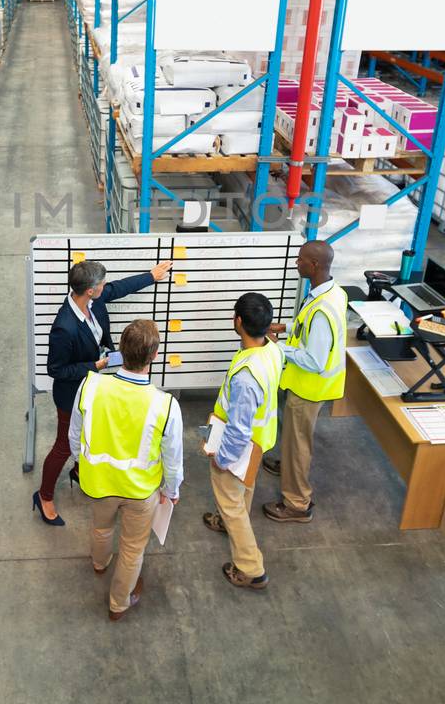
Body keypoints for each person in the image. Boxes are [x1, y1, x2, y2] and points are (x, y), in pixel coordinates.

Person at [34, 256, 173, 525]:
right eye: (102, 284)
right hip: (71, 393)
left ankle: (78, 470)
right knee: (63, 445)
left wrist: (151, 275)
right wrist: (93, 365)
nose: (105, 286)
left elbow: (119, 288)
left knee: (87, 434)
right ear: (90, 290)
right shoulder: (64, 327)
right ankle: (44, 495)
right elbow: (56, 370)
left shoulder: (91, 301)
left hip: (91, 386)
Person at [68, 319, 182, 620]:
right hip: (140, 491)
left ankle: (99, 562)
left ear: (121, 349)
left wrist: (80, 464)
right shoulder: (165, 405)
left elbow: (74, 433)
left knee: (101, 527)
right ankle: (119, 603)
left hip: (99, 484)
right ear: (154, 355)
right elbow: (172, 457)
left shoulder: (91, 385)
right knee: (132, 548)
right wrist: (172, 490)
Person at [261, 239, 347, 524]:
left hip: (309, 388)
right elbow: (311, 330)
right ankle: (287, 465)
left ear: (314, 265)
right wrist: (285, 327)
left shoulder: (322, 309)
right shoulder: (331, 293)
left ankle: (297, 503)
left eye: (300, 260)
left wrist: (277, 346)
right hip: (308, 385)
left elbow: (314, 360)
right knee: (293, 440)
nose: (296, 263)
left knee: (299, 445)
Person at [203, 292, 282, 590]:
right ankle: (226, 521)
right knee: (243, 490)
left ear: (238, 321)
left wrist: (222, 458)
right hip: (259, 444)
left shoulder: (247, 376)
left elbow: (238, 428)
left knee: (231, 501)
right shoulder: (272, 350)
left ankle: (251, 568)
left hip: (239, 447)